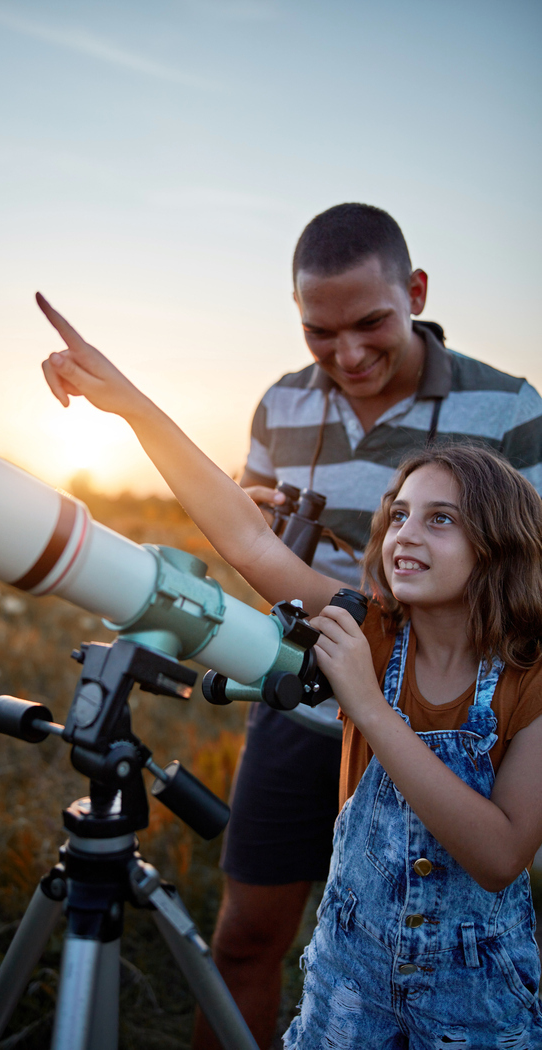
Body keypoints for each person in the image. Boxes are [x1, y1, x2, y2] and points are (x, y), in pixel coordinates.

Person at [38, 294, 542, 1046]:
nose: (406, 533)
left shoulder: (529, 677)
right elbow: (248, 540)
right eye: (399, 514)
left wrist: (369, 709)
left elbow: (500, 856)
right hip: (349, 993)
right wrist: (131, 406)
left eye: (441, 518)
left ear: (498, 545)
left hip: (475, 1008)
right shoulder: (369, 630)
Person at [212, 203, 542, 1050]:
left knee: (428, 943)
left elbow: (531, 570)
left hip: (450, 714)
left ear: (416, 293)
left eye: (370, 324)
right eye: (320, 333)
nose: (349, 355)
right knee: (246, 936)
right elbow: (255, 545)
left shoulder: (508, 408)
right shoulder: (281, 404)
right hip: (300, 702)